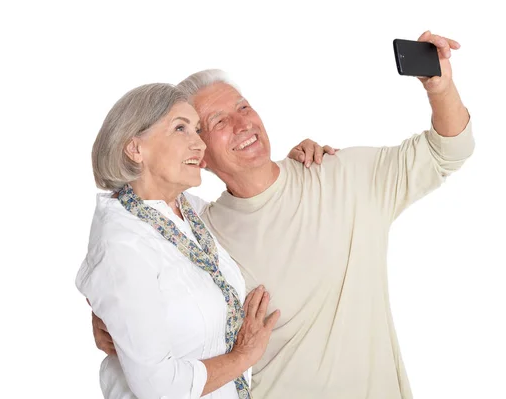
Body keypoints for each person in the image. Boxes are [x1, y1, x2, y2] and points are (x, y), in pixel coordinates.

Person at [93, 31, 475, 398]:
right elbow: (136, 271)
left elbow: (450, 150)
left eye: (243, 107)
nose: (243, 124)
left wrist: (439, 87)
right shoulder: (201, 234)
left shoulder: (343, 174)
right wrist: (103, 319)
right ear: (199, 150)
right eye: (218, 122)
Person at [76, 83, 335, 399]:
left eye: (197, 130)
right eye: (180, 128)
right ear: (135, 149)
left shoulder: (189, 212)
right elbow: (160, 388)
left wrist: (292, 170)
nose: (199, 144)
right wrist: (244, 356)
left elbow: (250, 211)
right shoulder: (122, 244)